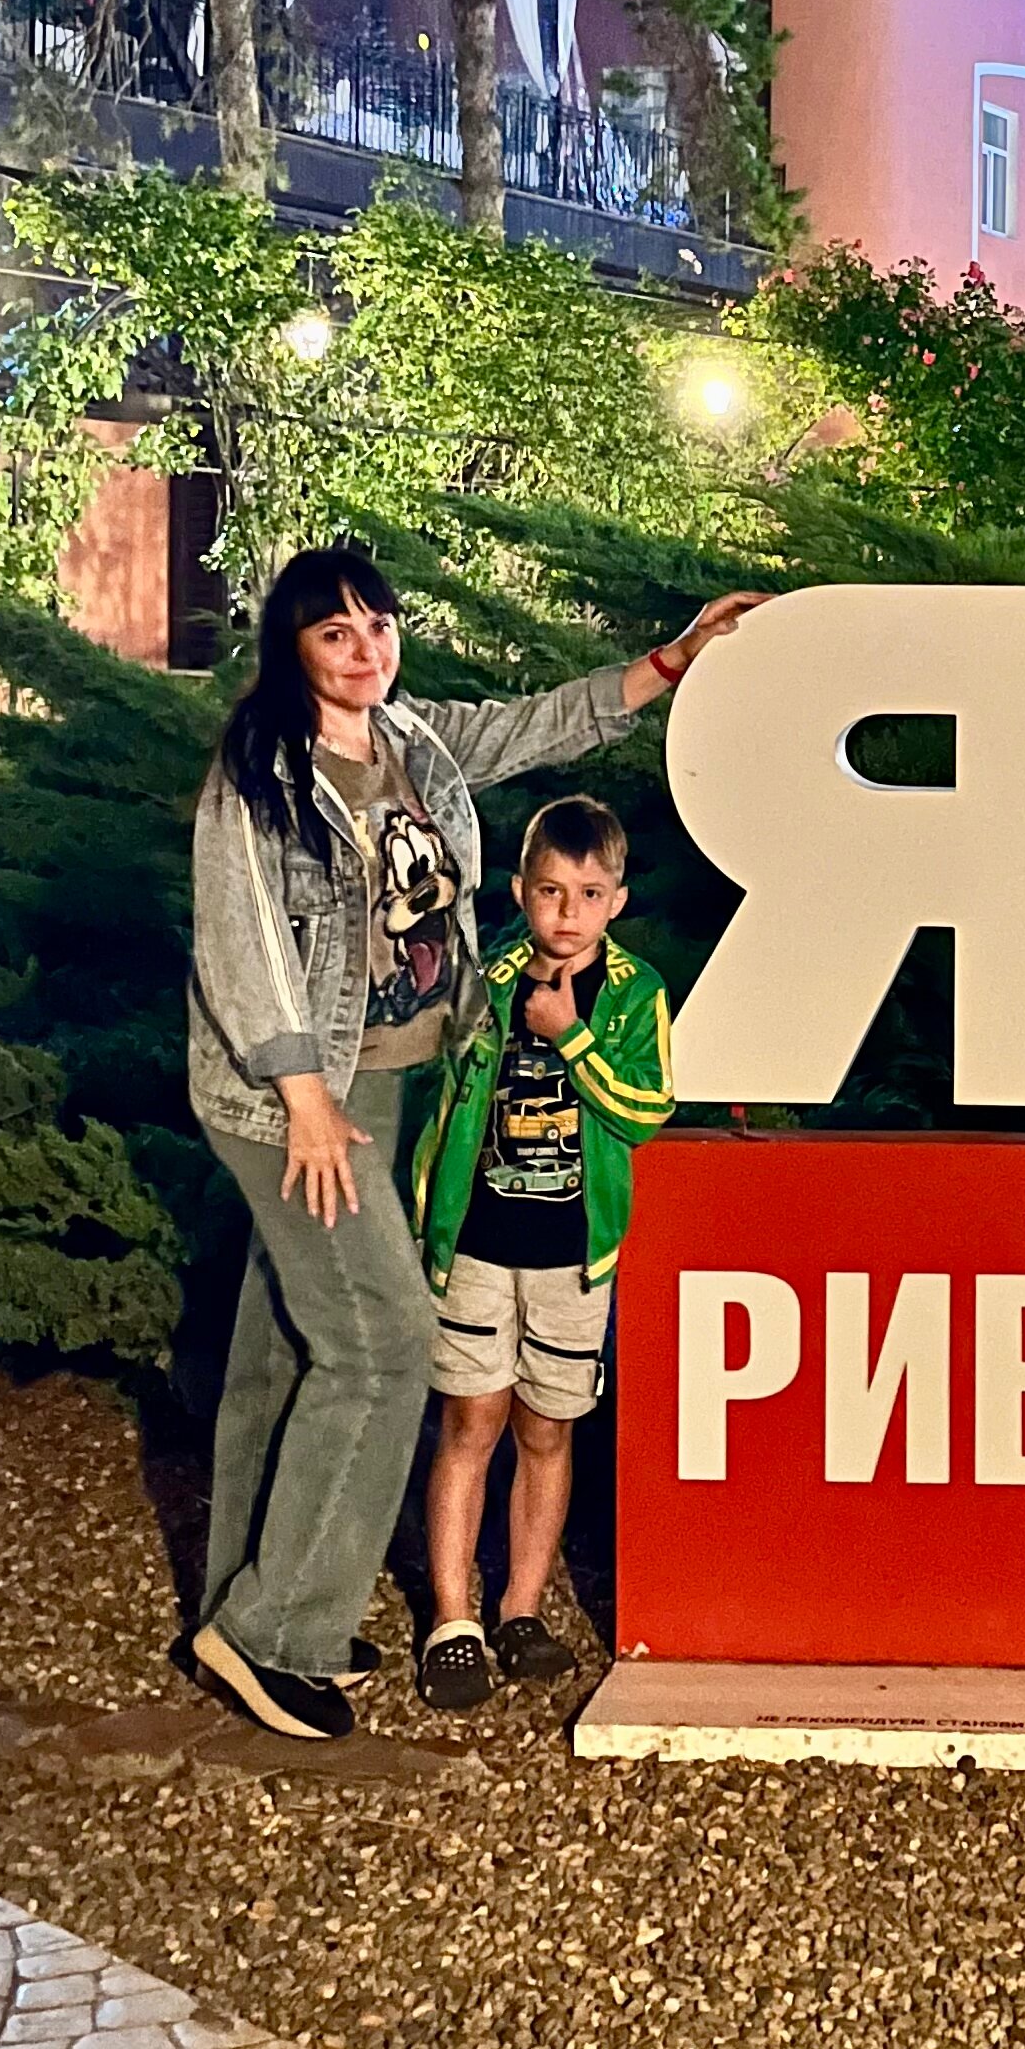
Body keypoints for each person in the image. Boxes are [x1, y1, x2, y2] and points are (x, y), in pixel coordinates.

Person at [184, 543, 752, 1742]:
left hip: (401, 1082)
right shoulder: (260, 773)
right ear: (293, 648)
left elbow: (536, 725)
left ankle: (246, 1595)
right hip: (302, 1101)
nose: (366, 651)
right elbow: (244, 943)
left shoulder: (412, 741)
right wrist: (303, 1098)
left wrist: (671, 660)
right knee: (385, 1343)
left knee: (284, 1343)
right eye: (336, 633)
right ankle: (274, 1633)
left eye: (378, 626)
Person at [405, 793, 669, 1709]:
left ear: (616, 902)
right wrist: (425, 1215)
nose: (568, 912)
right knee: (469, 1422)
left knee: (547, 1430)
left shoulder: (636, 993)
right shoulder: (486, 979)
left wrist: (573, 1039)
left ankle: (519, 1608)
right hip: (478, 1244)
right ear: (521, 891)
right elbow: (441, 1098)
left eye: (589, 894)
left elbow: (645, 1112)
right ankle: (452, 1620)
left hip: (572, 1256)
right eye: (551, 891)